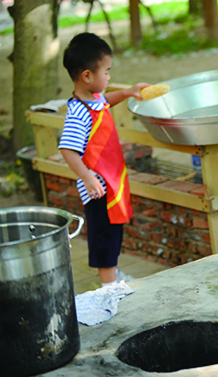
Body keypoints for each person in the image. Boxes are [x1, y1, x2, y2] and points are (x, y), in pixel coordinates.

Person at [59, 32, 149, 287]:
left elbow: (106, 101)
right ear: (87, 76)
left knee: (114, 232)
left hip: (111, 183)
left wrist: (129, 92)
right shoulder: (78, 112)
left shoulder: (95, 99)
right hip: (98, 189)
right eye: (106, 72)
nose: (109, 77)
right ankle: (108, 287)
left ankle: (113, 276)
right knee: (103, 237)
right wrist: (87, 179)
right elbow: (68, 149)